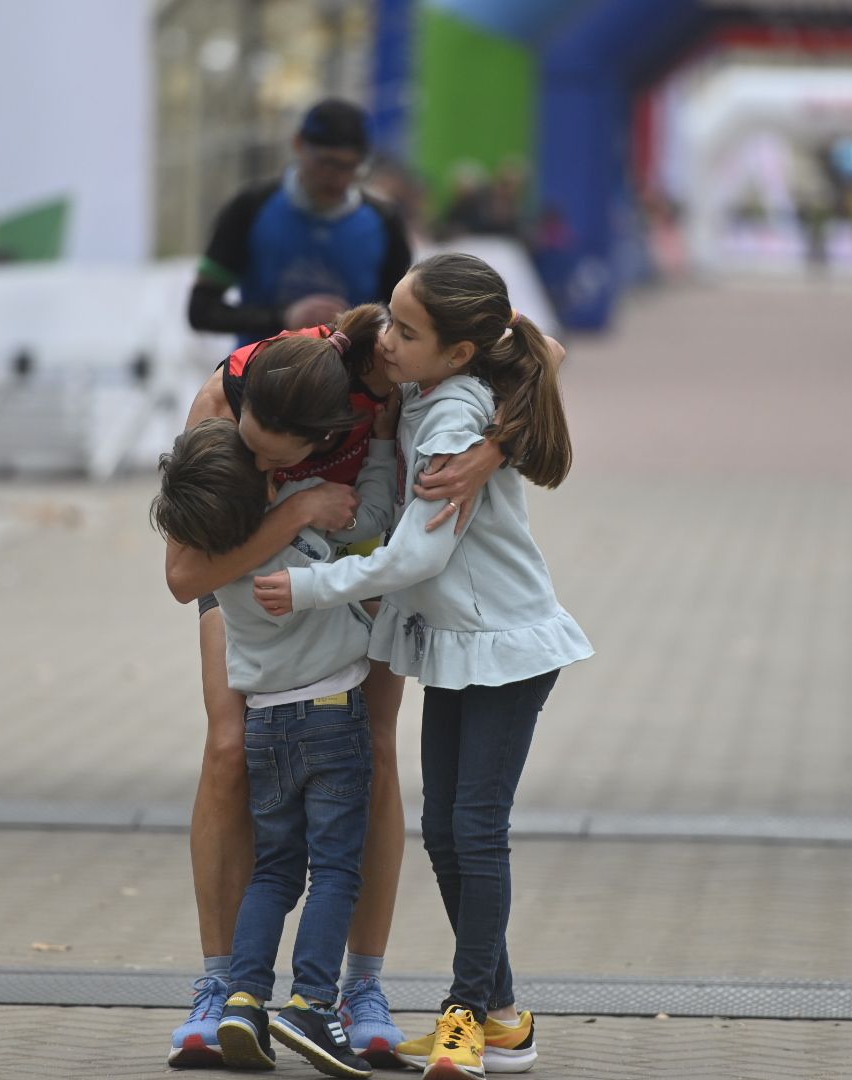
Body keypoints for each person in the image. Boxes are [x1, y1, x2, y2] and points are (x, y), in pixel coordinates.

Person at [253, 253, 593, 1079]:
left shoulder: (451, 417)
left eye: (408, 332)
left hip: (505, 646)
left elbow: (413, 557)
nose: (391, 343)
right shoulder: (427, 390)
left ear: (461, 353)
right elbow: (539, 343)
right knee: (446, 831)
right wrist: (497, 439)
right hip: (461, 645)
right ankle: (504, 1015)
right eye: (394, 321)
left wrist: (310, 586)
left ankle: (465, 1015)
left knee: (474, 834)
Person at [163, 306, 511, 1068]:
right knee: (228, 751)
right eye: (249, 449)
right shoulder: (220, 407)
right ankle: (222, 987)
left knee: (373, 753)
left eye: (270, 458)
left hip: (359, 576)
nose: (256, 462)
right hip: (249, 575)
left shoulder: (391, 357)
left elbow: (538, 354)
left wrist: (493, 449)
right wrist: (290, 512)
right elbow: (186, 575)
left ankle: (361, 988)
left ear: (328, 437)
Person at [151, 387, 397, 1077]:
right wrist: (364, 460)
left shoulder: (228, 545)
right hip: (329, 714)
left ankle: (249, 996)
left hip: (270, 719)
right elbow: (371, 520)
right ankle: (310, 1002)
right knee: (334, 869)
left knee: (278, 870)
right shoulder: (280, 496)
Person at [188, 98, 412, 346]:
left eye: (350, 166)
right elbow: (201, 310)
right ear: (298, 145)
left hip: (350, 380)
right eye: (326, 163)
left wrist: (355, 326)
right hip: (258, 375)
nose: (336, 178)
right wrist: (284, 317)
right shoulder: (251, 207)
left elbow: (403, 320)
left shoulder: (385, 222)